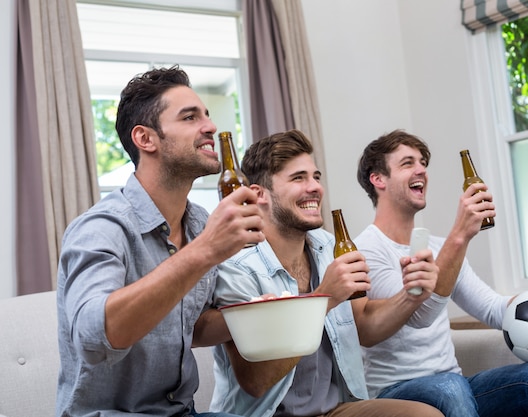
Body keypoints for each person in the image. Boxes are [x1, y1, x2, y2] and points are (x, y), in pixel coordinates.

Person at [55, 65, 264, 416]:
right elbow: (95, 340)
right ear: (145, 139)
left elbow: (191, 326)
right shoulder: (100, 228)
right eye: (189, 117)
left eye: (207, 115)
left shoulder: (198, 222)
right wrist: (205, 251)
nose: (210, 126)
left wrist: (267, 309)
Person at [354, 129, 528, 417]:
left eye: (423, 163)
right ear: (378, 179)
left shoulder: (442, 246)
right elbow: (419, 314)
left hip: (454, 384)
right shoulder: (366, 249)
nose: (421, 170)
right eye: (407, 163)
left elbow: (491, 308)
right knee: (450, 388)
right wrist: (460, 235)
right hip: (396, 392)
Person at [210, 129, 443, 417]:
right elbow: (255, 382)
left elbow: (366, 328)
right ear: (259, 195)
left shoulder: (329, 246)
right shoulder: (237, 267)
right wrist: (323, 298)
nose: (315, 187)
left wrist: (410, 295)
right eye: (299, 178)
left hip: (337, 409)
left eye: (316, 177)